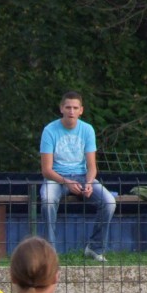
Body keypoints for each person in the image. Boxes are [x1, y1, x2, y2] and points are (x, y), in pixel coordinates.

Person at [39, 91, 116, 262]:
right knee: (48, 200)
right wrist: (66, 182)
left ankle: (94, 248)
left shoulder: (87, 129)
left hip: (82, 176)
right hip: (56, 178)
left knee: (109, 202)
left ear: (81, 110)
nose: (71, 111)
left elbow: (92, 166)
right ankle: (50, 253)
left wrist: (88, 182)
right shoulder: (49, 130)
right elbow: (46, 170)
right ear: (61, 109)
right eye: (68, 107)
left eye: (75, 108)